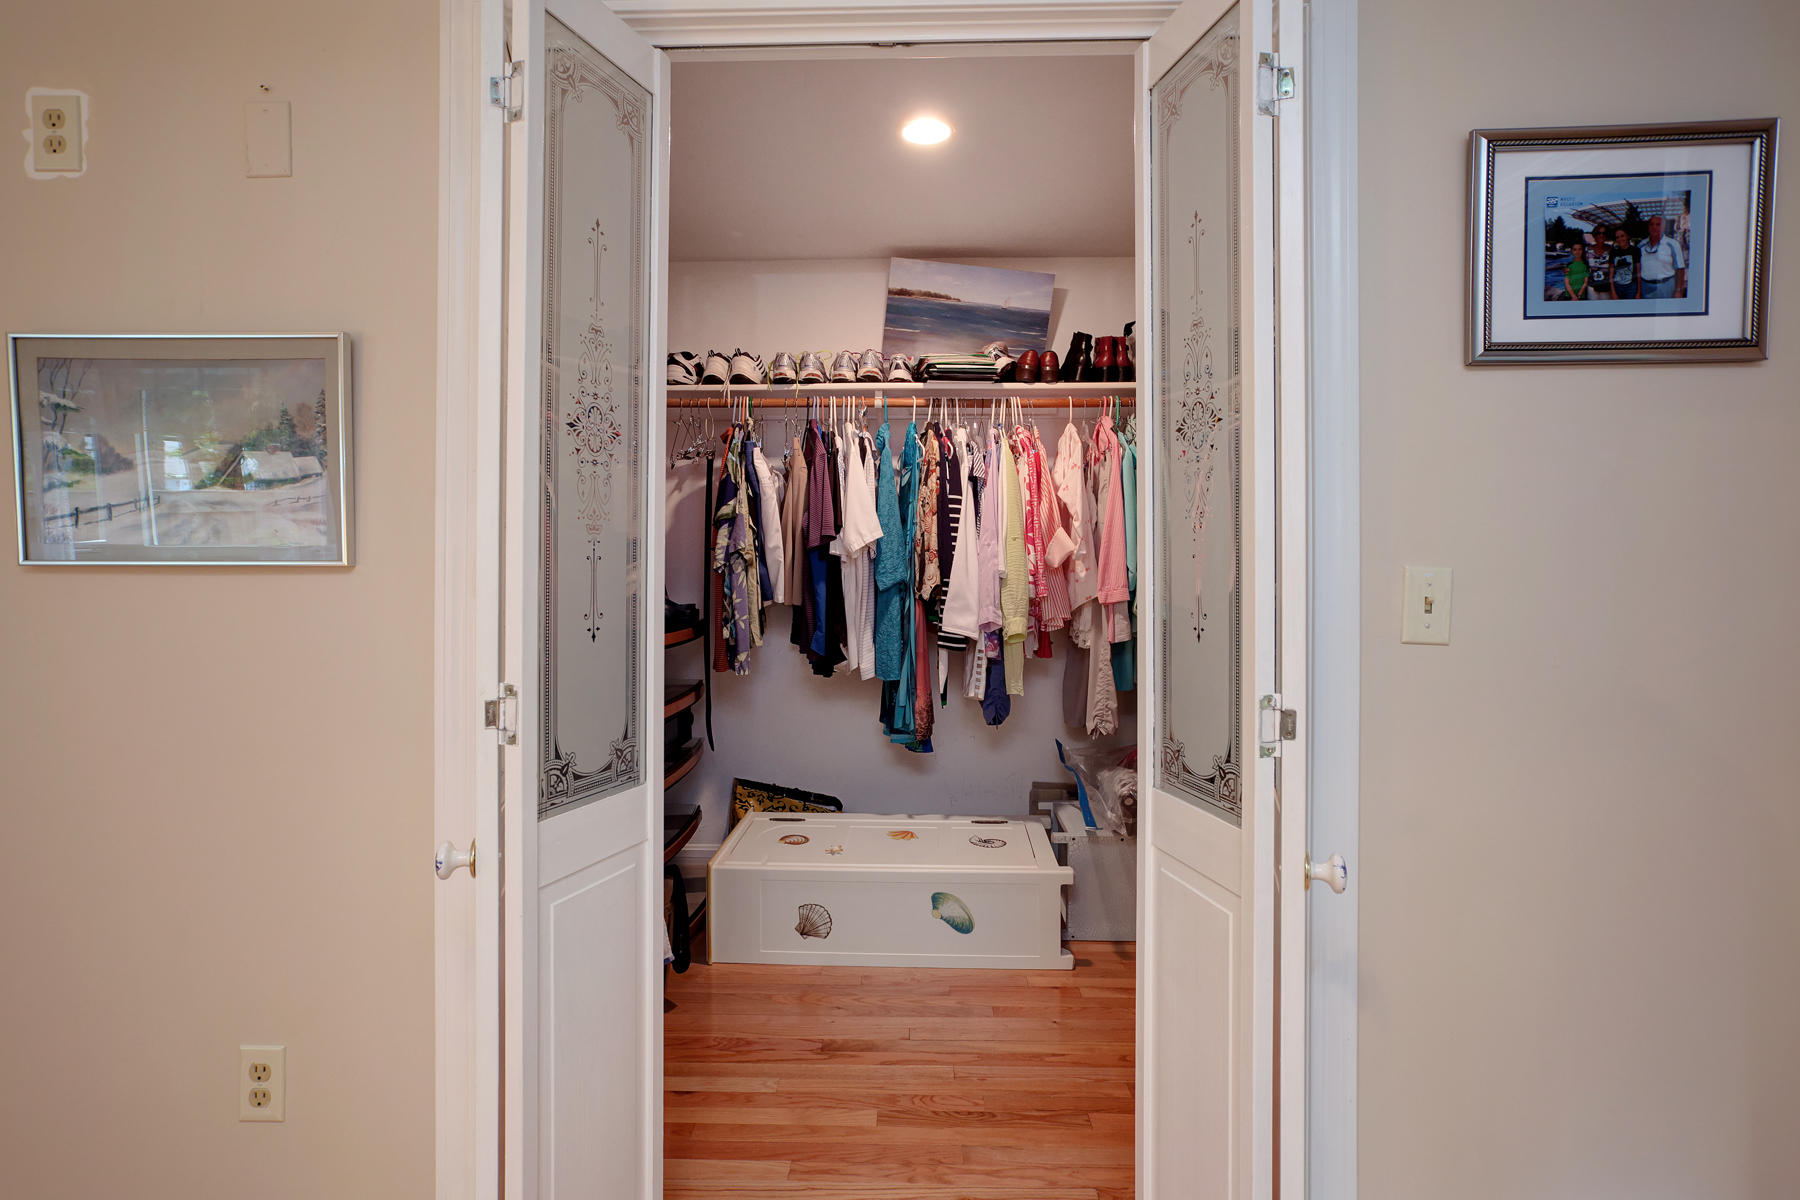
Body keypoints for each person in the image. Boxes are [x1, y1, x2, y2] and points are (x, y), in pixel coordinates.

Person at [1638, 214, 1686, 299]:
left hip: (1666, 286)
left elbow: (1680, 269)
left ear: (1663, 227)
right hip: (1646, 287)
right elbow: (1638, 269)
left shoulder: (1673, 244)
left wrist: (1678, 290)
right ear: (1648, 227)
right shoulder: (1641, 245)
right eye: (1652, 224)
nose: (1654, 227)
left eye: (1658, 224)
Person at [1607, 226, 1640, 300]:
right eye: (1617, 237)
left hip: (1631, 286)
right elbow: (1611, 274)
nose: (1620, 239)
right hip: (1617, 286)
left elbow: (1638, 272)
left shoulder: (1635, 251)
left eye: (1622, 236)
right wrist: (1613, 292)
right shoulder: (1613, 252)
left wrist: (1638, 292)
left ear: (1628, 236)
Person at [1585, 225, 1611, 299]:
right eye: (1598, 233)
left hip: (1606, 287)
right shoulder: (1587, 250)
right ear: (1594, 235)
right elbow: (1581, 264)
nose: (1601, 235)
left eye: (1604, 233)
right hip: (1592, 287)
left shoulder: (1611, 250)